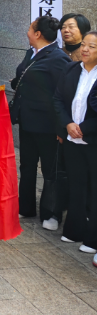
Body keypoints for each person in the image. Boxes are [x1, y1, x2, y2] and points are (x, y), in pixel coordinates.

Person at [10, 16, 70, 231]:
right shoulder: (31, 52)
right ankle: (25, 207)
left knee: (50, 170)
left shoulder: (58, 58)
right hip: (27, 121)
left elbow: (64, 94)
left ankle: (52, 213)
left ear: (37, 34)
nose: (27, 32)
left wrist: (62, 127)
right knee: (27, 166)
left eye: (30, 29)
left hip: (48, 125)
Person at [54, 31, 97, 259]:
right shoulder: (71, 69)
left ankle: (93, 238)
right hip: (72, 139)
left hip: (93, 140)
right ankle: (74, 230)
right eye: (84, 45)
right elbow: (58, 100)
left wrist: (84, 128)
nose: (85, 49)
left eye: (92, 46)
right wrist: (68, 124)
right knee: (76, 186)